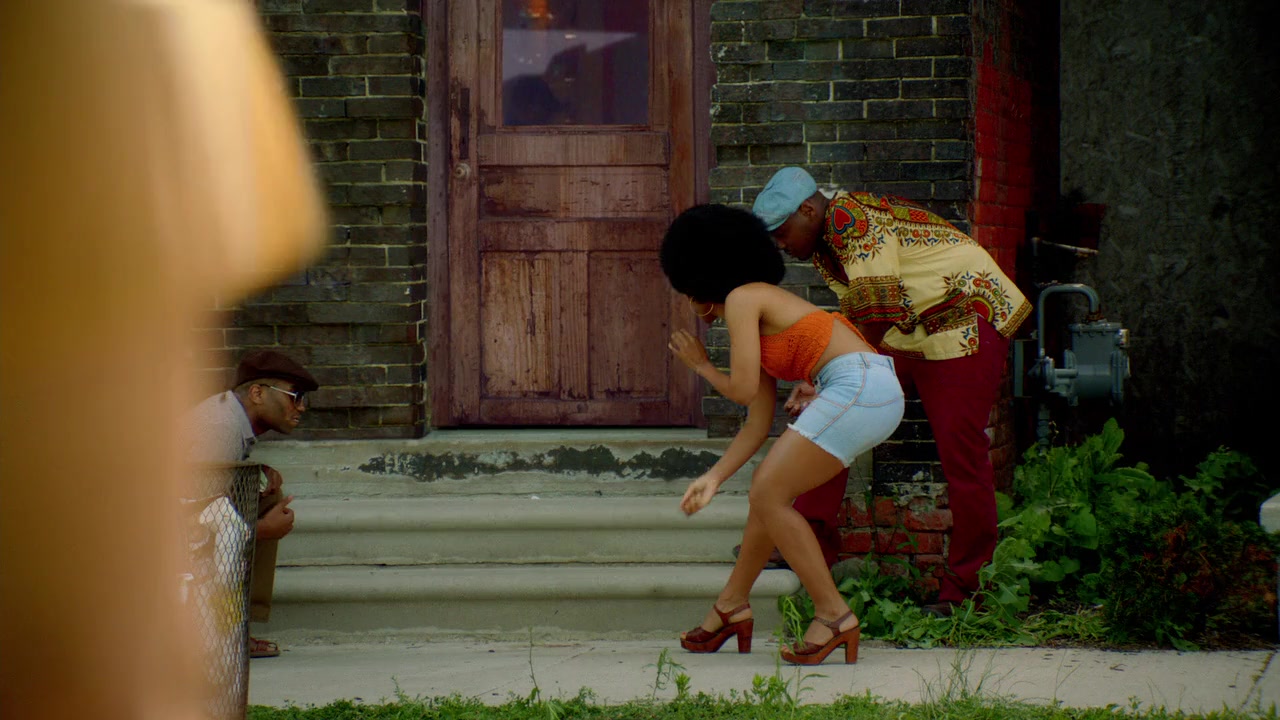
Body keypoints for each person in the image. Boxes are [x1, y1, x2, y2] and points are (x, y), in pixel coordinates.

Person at [752, 167, 1033, 618]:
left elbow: (876, 314)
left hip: (967, 319)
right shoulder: (825, 242)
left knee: (962, 453)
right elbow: (865, 317)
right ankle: (803, 539)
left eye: (781, 232)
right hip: (912, 328)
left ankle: (968, 592)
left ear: (808, 210)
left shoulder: (851, 221)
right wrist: (823, 381)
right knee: (837, 412)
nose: (779, 244)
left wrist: (819, 378)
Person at [661, 203, 905, 665]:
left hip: (859, 388)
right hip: (867, 390)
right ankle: (731, 606)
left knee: (768, 492)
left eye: (685, 291)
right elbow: (756, 422)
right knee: (767, 495)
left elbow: (738, 390)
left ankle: (833, 615)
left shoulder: (742, 298)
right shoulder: (756, 310)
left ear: (700, 282)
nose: (687, 303)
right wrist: (713, 478)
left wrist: (701, 366)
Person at [187, 350, 320, 658]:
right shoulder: (219, 429)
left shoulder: (229, 417)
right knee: (263, 513)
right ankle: (219, 635)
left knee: (266, 494)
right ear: (257, 393)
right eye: (295, 396)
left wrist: (257, 475)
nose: (301, 407)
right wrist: (261, 530)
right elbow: (188, 532)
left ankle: (237, 627)